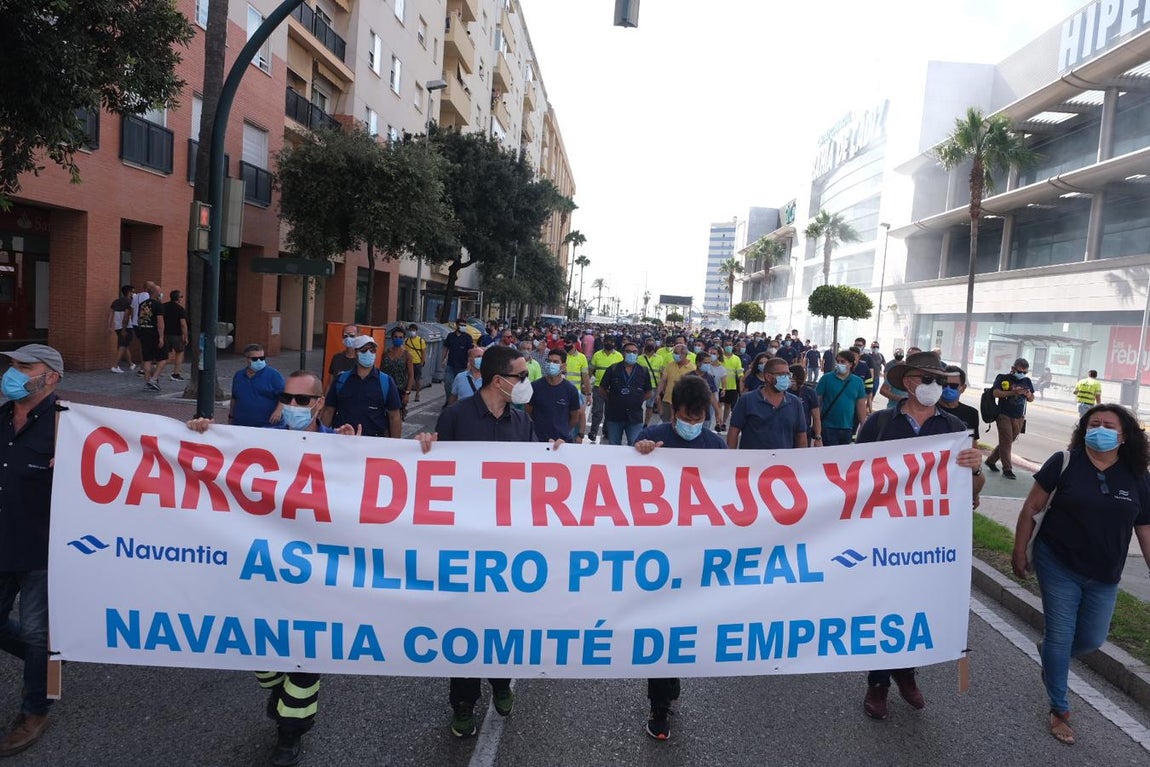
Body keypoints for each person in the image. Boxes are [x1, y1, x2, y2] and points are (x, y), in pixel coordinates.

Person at [189, 370, 356, 766]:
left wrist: (423, 445)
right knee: (258, 645)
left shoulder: (344, 447)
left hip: (316, 572)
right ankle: (275, 688)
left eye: (302, 400)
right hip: (264, 567)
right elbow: (212, 466)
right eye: (287, 398)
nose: (293, 406)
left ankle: (290, 733)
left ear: (318, 402)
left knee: (304, 652)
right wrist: (199, 434)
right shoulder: (255, 443)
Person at [416, 345, 555, 737]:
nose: (528, 383)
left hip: (507, 548)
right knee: (464, 626)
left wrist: (556, 458)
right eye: (522, 376)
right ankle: (462, 702)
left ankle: (500, 681)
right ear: (499, 381)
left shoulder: (521, 423)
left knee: (501, 622)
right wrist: (426, 446)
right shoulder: (457, 416)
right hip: (463, 545)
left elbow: (536, 473)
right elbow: (432, 468)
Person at [1011, 404, 1150, 746]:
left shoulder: (1137, 476)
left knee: (1090, 639)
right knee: (1061, 635)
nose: (1099, 429)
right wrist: (1019, 549)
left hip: (1105, 572)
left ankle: (1051, 655)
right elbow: (1032, 507)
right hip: (1058, 561)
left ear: (1124, 435)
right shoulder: (1064, 462)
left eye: (1108, 425)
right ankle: (1059, 709)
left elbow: (1144, 527)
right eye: (1093, 423)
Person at [856, 351, 983, 720]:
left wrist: (975, 470)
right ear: (909, 382)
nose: (935, 387)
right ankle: (878, 682)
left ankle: (907, 672)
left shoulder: (954, 430)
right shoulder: (880, 424)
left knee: (916, 606)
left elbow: (972, 490)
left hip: (928, 540)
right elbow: (852, 476)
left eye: (939, 380)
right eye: (927, 379)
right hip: (883, 535)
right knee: (884, 606)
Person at [632, 375, 726, 740]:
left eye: (698, 416)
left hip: (698, 553)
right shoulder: (653, 436)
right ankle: (660, 703)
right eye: (686, 416)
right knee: (662, 625)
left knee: (685, 625)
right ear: (675, 414)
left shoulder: (716, 446)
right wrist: (640, 452)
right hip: (658, 553)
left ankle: (669, 688)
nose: (692, 423)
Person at [0, 344, 64, 756]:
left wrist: (199, 428)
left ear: (51, 377)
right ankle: (47, 665)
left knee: (38, 630)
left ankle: (34, 708)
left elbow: (142, 448)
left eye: (25, 367)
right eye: (11, 366)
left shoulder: (71, 425)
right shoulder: (2, 417)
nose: (13, 373)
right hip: (3, 541)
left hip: (42, 548)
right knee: (35, 642)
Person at [321, 336, 402, 437]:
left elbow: (394, 416)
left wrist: (395, 445)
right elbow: (329, 411)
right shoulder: (341, 380)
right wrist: (321, 439)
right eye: (364, 350)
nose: (368, 354)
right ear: (355, 353)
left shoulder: (386, 381)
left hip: (374, 442)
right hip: (343, 439)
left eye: (372, 351)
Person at [727, 356, 807, 450]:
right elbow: (734, 431)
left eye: (788, 374)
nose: (786, 378)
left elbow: (801, 435)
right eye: (781, 374)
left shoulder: (795, 403)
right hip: (753, 461)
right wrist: (730, 458)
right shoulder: (747, 400)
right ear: (768, 377)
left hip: (783, 462)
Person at [940, 365, 986, 508]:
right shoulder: (930, 409)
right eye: (944, 385)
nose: (948, 389)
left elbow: (972, 446)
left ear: (963, 388)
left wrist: (975, 491)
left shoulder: (970, 413)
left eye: (953, 386)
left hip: (957, 471)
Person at [985, 357, 1034, 479]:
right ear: (1013, 369)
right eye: (1019, 371)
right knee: (1006, 442)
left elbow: (1032, 398)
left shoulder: (1027, 381)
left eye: (1024, 372)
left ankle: (991, 460)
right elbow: (995, 393)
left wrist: (1027, 394)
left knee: (1007, 441)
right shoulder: (1002, 378)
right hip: (1004, 415)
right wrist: (1013, 393)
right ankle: (1007, 469)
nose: (1022, 374)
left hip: (1019, 417)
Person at [600, 340, 653, 445]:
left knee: (635, 445)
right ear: (623, 353)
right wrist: (612, 399)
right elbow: (602, 389)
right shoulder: (613, 368)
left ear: (638, 354)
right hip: (615, 415)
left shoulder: (643, 371)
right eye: (628, 351)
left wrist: (637, 399)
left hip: (634, 416)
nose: (631, 354)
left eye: (634, 352)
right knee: (614, 445)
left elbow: (649, 392)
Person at [527, 348, 581, 442]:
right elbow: (528, 412)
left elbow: (574, 418)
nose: (551, 364)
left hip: (562, 442)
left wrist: (563, 433)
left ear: (563, 366)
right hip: (538, 441)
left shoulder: (571, 390)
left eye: (555, 362)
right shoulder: (535, 387)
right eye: (549, 361)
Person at [815, 349, 867, 446]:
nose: (839, 364)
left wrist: (864, 425)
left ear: (851, 364)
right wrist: (816, 427)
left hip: (847, 428)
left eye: (843, 362)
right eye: (838, 361)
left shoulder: (858, 382)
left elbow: (861, 406)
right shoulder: (826, 379)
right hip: (828, 427)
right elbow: (817, 402)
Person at [229, 343, 285, 428]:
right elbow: (234, 398)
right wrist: (231, 416)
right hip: (241, 424)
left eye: (262, 358)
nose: (259, 361)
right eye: (255, 359)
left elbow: (285, 396)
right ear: (247, 359)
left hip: (267, 425)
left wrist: (278, 411)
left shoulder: (274, 375)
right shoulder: (239, 376)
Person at [588, 337, 623, 442]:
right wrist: (588, 384)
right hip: (598, 387)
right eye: (607, 341)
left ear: (614, 343)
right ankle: (593, 431)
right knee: (597, 411)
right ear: (603, 343)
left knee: (609, 411)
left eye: (611, 341)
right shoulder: (597, 355)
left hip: (613, 388)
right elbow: (590, 370)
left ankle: (606, 431)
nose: (609, 343)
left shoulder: (619, 356)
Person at [654, 344, 696, 423]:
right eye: (674, 353)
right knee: (666, 424)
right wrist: (658, 394)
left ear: (684, 354)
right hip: (667, 400)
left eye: (676, 353)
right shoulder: (670, 365)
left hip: (682, 404)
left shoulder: (692, 368)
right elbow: (663, 380)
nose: (674, 355)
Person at [136, 284, 166, 391]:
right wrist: (161, 337)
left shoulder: (143, 304)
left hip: (144, 333)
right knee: (162, 358)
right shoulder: (158, 305)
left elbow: (139, 318)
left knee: (147, 359)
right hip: (154, 334)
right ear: (157, 293)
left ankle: (147, 381)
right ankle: (154, 379)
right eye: (160, 292)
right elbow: (160, 323)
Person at [380, 326, 414, 417]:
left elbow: (411, 376)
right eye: (395, 337)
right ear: (392, 338)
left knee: (396, 417)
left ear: (403, 339)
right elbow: (380, 370)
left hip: (399, 391)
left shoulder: (407, 355)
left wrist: (407, 393)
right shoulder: (385, 353)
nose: (398, 339)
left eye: (400, 337)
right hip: (385, 389)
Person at [441, 319, 475, 402]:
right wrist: (443, 359)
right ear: (457, 325)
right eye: (461, 325)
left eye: (464, 325)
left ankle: (457, 402)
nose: (463, 327)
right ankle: (449, 401)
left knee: (460, 385)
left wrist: (469, 363)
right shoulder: (450, 336)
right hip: (451, 365)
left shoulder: (467, 337)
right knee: (448, 384)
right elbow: (446, 348)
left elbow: (470, 351)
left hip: (462, 366)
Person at [789, 364, 822, 447]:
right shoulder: (784, 391)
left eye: (789, 375)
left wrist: (818, 437)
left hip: (804, 433)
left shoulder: (810, 393)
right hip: (786, 433)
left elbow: (816, 417)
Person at [163, 289, 189, 381]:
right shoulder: (180, 309)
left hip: (165, 334)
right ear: (178, 298)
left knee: (165, 355)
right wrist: (185, 336)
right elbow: (183, 324)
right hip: (177, 335)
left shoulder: (164, 306)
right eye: (181, 297)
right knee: (179, 353)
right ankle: (175, 373)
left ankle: (154, 370)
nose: (182, 298)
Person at [108, 284, 134, 373]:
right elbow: (126, 317)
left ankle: (131, 364)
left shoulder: (115, 302)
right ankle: (115, 366)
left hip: (117, 326)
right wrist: (124, 329)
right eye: (132, 292)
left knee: (125, 345)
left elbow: (111, 314)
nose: (133, 294)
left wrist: (109, 326)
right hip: (127, 327)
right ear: (129, 292)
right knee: (122, 346)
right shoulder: (129, 302)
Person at [404, 324, 427, 401]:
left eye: (413, 330)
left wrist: (422, 362)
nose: (412, 332)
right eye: (410, 330)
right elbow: (405, 351)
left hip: (417, 363)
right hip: (409, 363)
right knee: (407, 379)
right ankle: (406, 394)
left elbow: (423, 352)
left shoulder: (421, 341)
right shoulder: (407, 340)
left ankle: (417, 394)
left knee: (417, 379)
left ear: (416, 331)